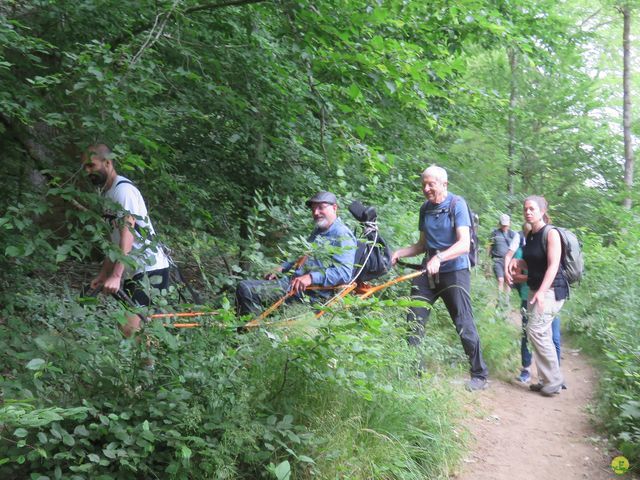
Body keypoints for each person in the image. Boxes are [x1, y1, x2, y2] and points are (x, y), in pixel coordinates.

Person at [391, 165, 489, 391]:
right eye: (423, 184)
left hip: (455, 271)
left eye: (430, 184)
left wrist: (440, 258)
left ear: (443, 184)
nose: (426, 188)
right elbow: (422, 245)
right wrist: (399, 253)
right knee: (413, 320)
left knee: (463, 322)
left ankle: (479, 375)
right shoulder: (425, 209)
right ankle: (412, 375)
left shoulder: (457, 205)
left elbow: (464, 245)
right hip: (429, 272)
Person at [82, 144, 170, 338]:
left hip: (150, 269)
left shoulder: (123, 192)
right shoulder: (107, 195)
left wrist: (116, 275)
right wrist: (104, 274)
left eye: (91, 165)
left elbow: (127, 236)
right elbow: (114, 243)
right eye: (85, 168)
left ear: (107, 162)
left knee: (131, 328)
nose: (88, 171)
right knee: (137, 331)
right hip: (134, 270)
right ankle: (150, 366)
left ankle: (150, 367)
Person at [236, 191, 357, 316]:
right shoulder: (319, 230)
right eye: (313, 209)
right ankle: (254, 323)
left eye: (321, 207)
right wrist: (283, 267)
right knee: (250, 287)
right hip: (292, 284)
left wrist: (311, 277)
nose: (316, 213)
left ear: (334, 207)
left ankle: (249, 331)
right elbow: (305, 258)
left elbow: (344, 272)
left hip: (310, 293)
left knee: (245, 288)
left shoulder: (342, 234)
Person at [508, 195, 567, 396]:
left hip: (552, 290)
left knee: (536, 331)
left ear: (542, 211)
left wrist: (541, 292)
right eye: (525, 209)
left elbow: (553, 265)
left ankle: (554, 380)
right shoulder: (531, 235)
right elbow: (534, 263)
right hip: (536, 289)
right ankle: (545, 380)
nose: (528, 212)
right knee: (541, 334)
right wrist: (520, 264)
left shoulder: (550, 234)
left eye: (532, 209)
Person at [488, 214, 516, 303]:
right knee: (500, 280)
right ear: (499, 223)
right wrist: (487, 261)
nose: (504, 226)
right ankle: (499, 300)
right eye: (503, 225)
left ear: (509, 224)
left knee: (508, 282)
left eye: (506, 225)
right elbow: (489, 246)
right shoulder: (494, 233)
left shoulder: (513, 234)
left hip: (509, 261)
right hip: (497, 260)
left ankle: (506, 302)